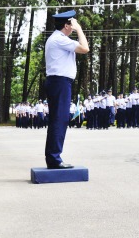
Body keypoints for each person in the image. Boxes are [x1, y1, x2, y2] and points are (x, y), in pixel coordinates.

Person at [44, 10, 89, 169]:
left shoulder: (58, 38)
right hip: (59, 82)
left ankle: (53, 157)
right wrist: (80, 29)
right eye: (72, 24)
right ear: (66, 26)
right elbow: (85, 48)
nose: (73, 27)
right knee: (59, 119)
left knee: (58, 119)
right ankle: (54, 158)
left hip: (59, 82)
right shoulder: (59, 39)